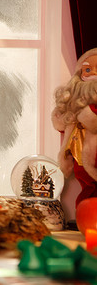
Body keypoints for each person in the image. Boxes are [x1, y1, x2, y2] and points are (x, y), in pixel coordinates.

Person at [52, 48, 97, 207]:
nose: (92, 73)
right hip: (79, 156)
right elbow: (63, 125)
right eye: (87, 69)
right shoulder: (76, 100)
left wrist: (86, 116)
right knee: (87, 188)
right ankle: (86, 215)